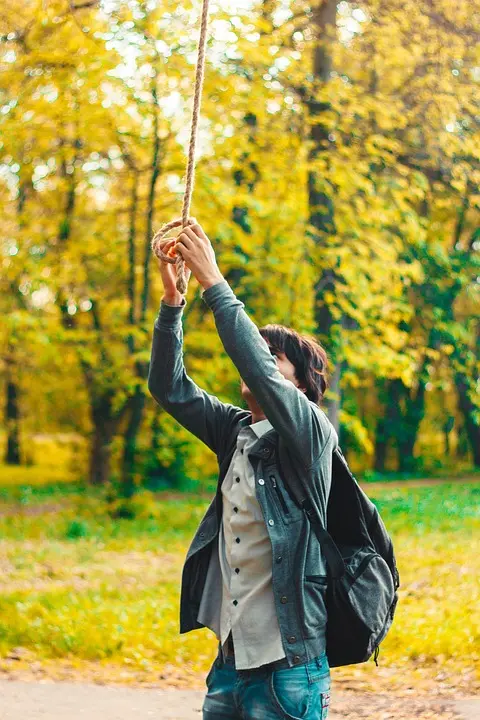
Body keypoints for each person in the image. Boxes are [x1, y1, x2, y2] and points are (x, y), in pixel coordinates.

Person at [148, 221, 338, 720]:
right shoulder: (235, 431)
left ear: (302, 383)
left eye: (274, 358)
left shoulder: (310, 433)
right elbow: (170, 389)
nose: (259, 364)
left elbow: (254, 368)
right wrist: (173, 305)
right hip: (230, 664)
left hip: (290, 670)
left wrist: (214, 280)